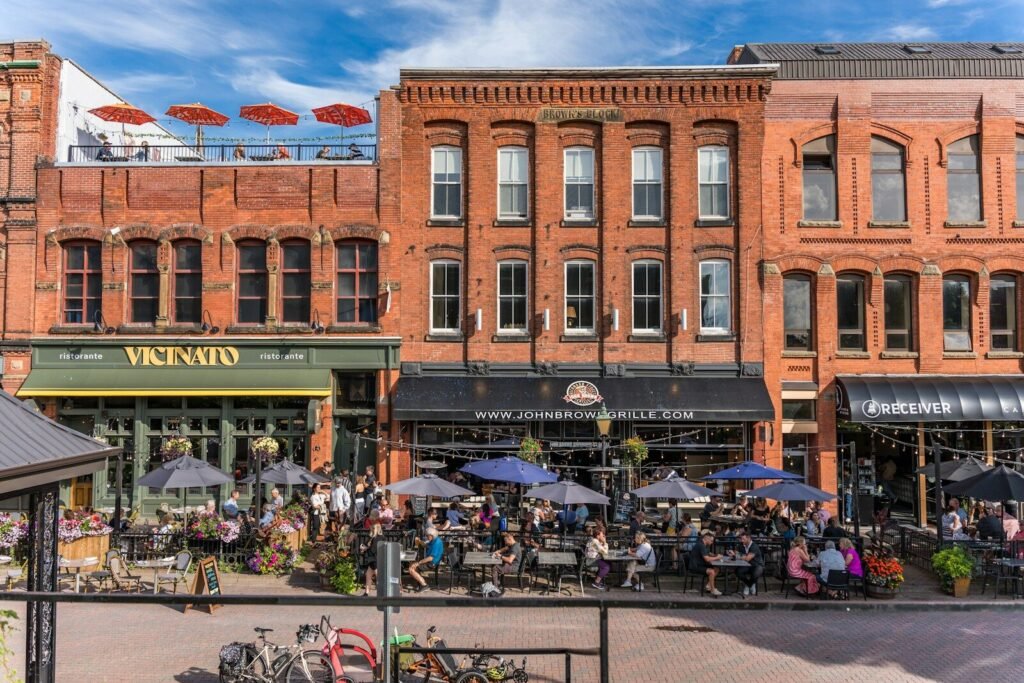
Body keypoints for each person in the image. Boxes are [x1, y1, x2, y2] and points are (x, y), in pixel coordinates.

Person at [407, 527, 444, 592]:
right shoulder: (434, 540)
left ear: (431, 535)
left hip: (432, 563)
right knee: (412, 564)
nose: (426, 537)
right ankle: (420, 582)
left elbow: (430, 558)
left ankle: (424, 585)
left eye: (427, 536)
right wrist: (420, 541)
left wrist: (418, 563)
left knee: (411, 568)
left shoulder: (436, 543)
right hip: (432, 562)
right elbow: (426, 546)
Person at [689, 530, 723, 597]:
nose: (712, 542)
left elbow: (707, 554)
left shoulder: (702, 544)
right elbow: (707, 559)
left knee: (716, 568)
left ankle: (708, 585)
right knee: (712, 571)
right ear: (706, 538)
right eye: (711, 541)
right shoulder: (701, 545)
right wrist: (717, 557)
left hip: (699, 564)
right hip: (695, 567)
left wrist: (714, 555)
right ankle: (713, 590)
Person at [731, 530, 764, 597]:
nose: (741, 540)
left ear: (748, 538)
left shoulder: (754, 546)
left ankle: (748, 585)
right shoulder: (741, 545)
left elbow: (747, 558)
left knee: (756, 573)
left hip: (756, 564)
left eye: (743, 539)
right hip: (746, 565)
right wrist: (733, 553)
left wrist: (738, 556)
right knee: (738, 571)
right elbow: (735, 553)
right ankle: (750, 584)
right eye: (741, 539)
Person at [360, 523, 383, 596]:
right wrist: (362, 547)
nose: (372, 530)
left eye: (373, 528)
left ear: (377, 529)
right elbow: (366, 544)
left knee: (378, 577)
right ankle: (366, 592)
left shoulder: (379, 537)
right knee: (368, 575)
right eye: (372, 528)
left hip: (376, 559)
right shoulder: (373, 537)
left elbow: (373, 549)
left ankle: (382, 592)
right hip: (372, 559)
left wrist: (365, 548)